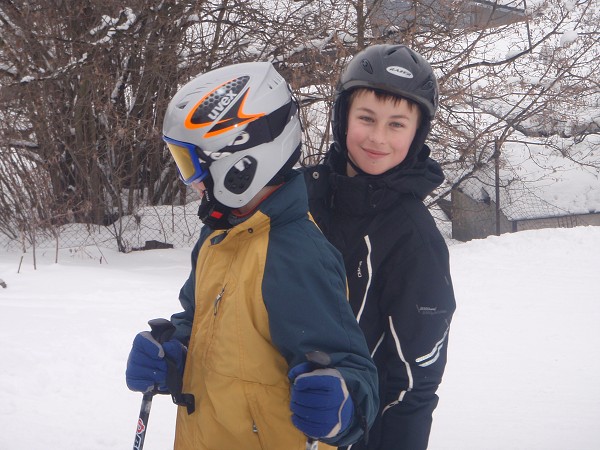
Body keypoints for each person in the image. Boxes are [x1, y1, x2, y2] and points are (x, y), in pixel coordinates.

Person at [125, 62, 379, 450]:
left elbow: (351, 368)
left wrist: (342, 401)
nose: (189, 180)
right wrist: (175, 350)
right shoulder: (219, 235)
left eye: (191, 164)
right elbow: (201, 321)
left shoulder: (295, 254)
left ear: (240, 163)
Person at [302, 44, 456, 450]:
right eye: (366, 118)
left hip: (347, 434)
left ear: (417, 133)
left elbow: (414, 384)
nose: (377, 138)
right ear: (343, 118)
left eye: (397, 125)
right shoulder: (299, 198)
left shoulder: (414, 238)